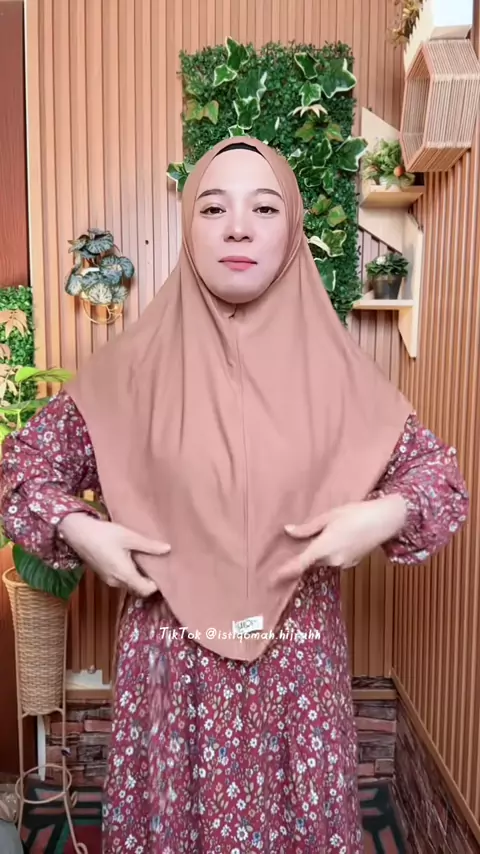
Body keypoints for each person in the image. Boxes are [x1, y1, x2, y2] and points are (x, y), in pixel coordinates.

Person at [0, 137, 468, 854]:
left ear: (293, 230)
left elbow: (440, 480)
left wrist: (381, 514)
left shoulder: (340, 375)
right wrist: (83, 530)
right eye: (214, 208)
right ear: (189, 226)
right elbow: (23, 469)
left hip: (297, 678)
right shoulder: (129, 370)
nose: (239, 228)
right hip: (169, 673)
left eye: (265, 208)